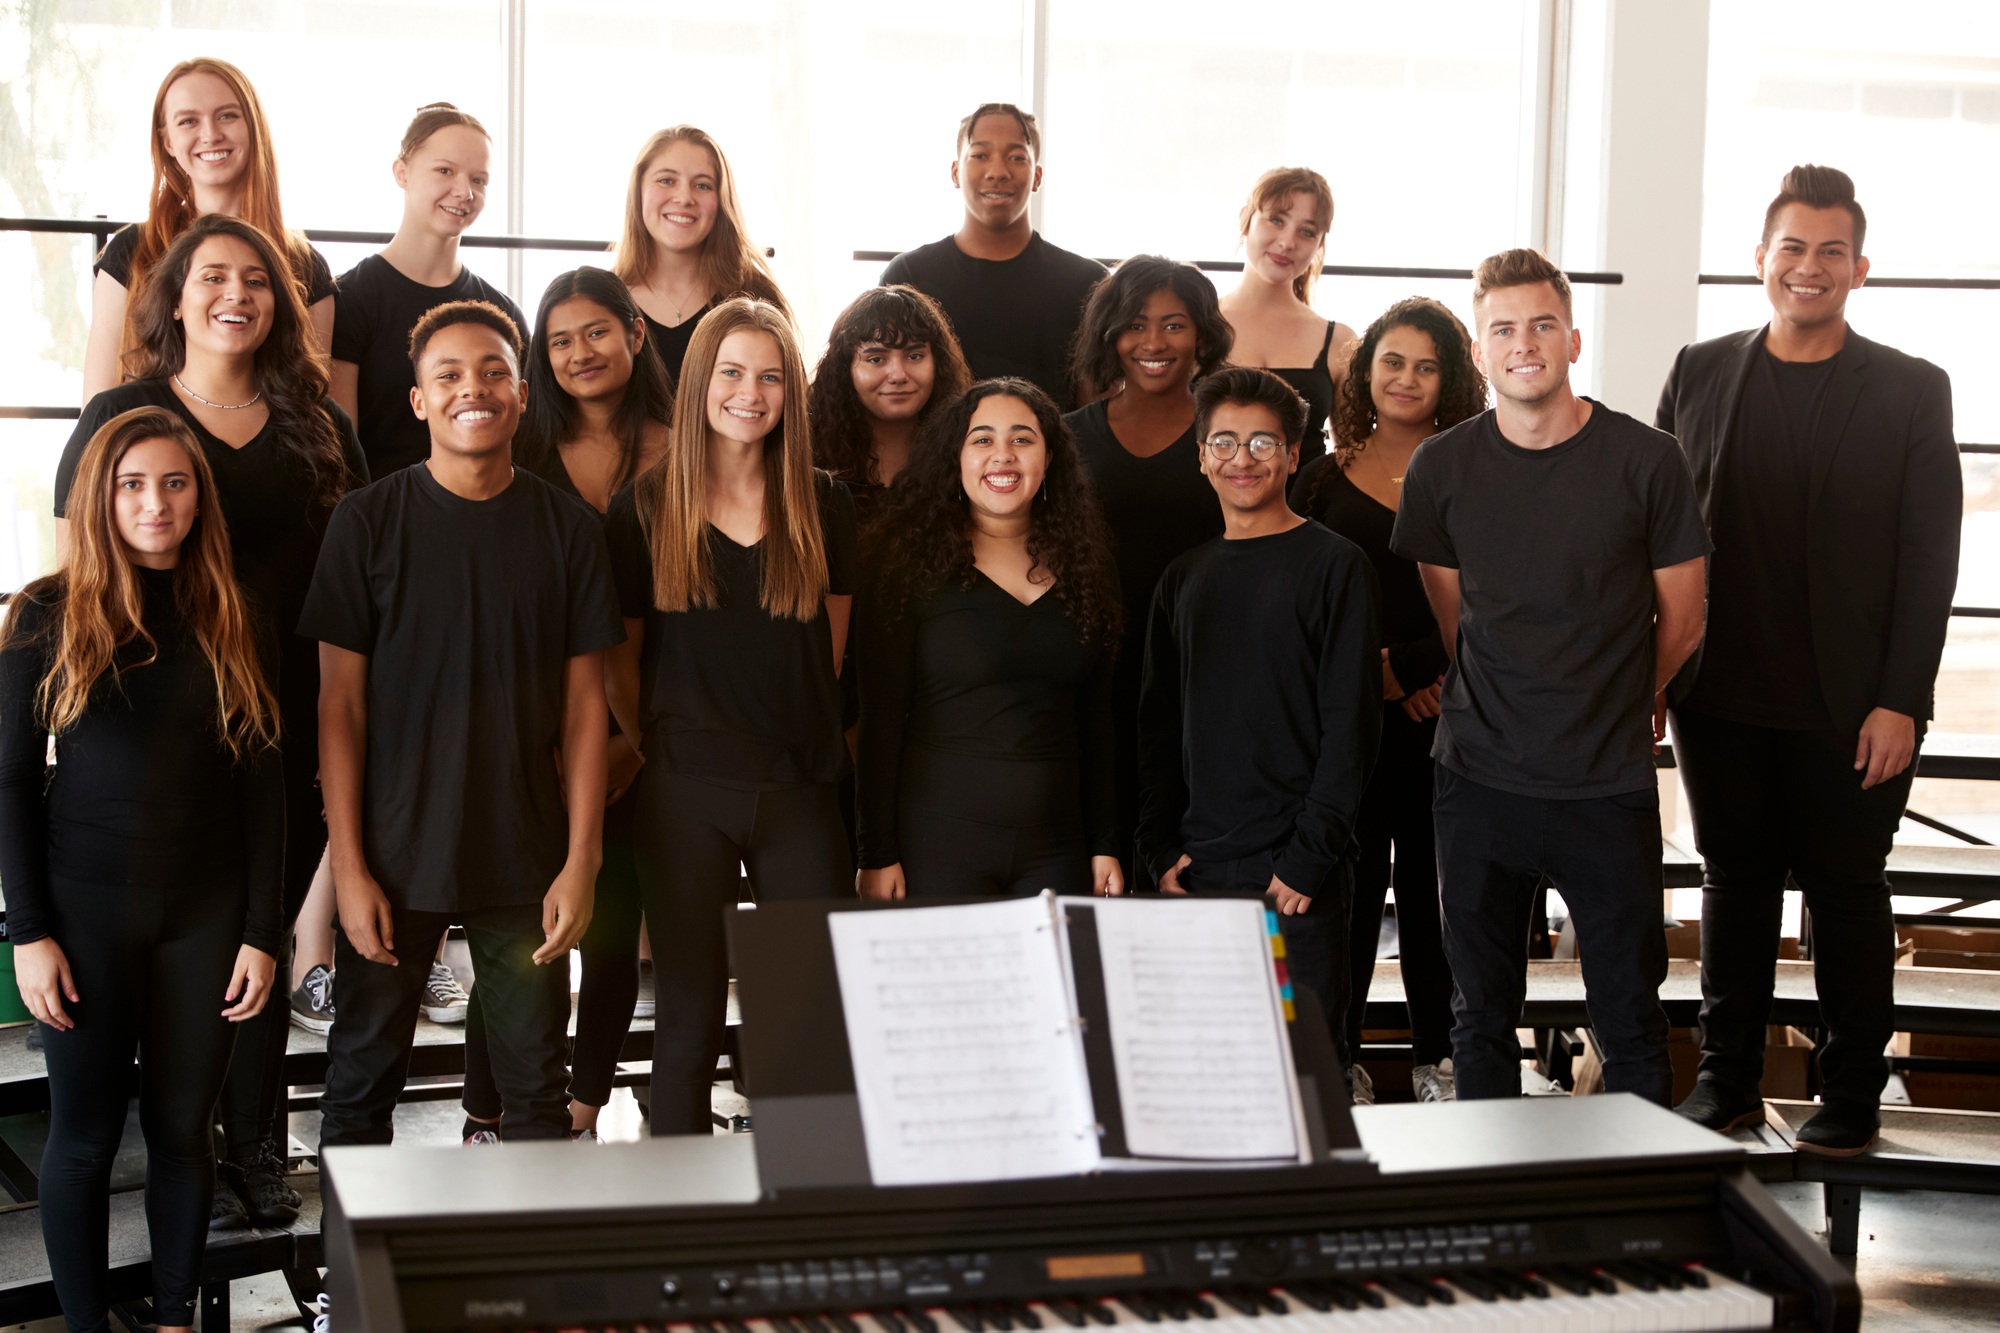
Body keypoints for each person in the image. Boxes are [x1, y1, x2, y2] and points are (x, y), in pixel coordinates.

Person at [55, 213, 364, 1226]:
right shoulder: (124, 412)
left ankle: (258, 1146)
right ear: (175, 298)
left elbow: (362, 581)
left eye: (258, 280)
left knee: (259, 925)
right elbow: (74, 569)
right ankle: (179, 1146)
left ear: (281, 305)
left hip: (288, 720)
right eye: (214, 277)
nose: (237, 295)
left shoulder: (320, 424)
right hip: (156, 726)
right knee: (181, 941)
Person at [1659, 166, 1960, 1155]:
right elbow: (1656, 537)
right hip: (1719, 693)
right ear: (1760, 259)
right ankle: (1727, 1081)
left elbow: (1929, 558)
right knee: (1732, 884)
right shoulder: (1698, 370)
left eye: (1832, 250)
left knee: (1847, 890)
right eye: (1791, 246)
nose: (1809, 266)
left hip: (1852, 705)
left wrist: (1900, 699)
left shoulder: (1911, 389)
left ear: (1859, 268)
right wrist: (1651, 674)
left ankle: (1851, 1091)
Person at [1390, 249, 1711, 1106]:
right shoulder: (1441, 469)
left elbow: (1685, 620)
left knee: (1630, 1016)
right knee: (1479, 1017)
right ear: (1481, 351)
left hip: (1604, 785)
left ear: (1572, 339)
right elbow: (1458, 623)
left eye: (1541, 325)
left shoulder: (1648, 460)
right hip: (1477, 781)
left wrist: (1632, 693)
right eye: (1503, 329)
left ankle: (1643, 1193)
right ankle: (1492, 1188)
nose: (1523, 343)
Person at [301, 300, 623, 1146]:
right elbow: (339, 706)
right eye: (447, 375)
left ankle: (532, 1241)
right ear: (418, 400)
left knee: (535, 1088)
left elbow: (586, 709)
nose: (471, 389)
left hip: (524, 857)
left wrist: (582, 859)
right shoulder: (366, 522)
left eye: (492, 373)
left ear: (522, 394)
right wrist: (349, 868)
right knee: (361, 1079)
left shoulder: (569, 531)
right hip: (391, 855)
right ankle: (355, 1243)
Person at [3, 406, 281, 1333]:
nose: (154, 503)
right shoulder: (44, 613)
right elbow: (8, 782)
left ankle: (170, 1322)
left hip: (206, 916)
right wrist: (29, 932)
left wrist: (262, 931)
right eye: (132, 484)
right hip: (82, 916)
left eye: (173, 482)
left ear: (199, 497)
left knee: (181, 1133)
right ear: (102, 497)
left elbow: (266, 786)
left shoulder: (234, 610)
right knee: (83, 1139)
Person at [603, 297, 856, 1136]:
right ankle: (683, 1205)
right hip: (685, 793)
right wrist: (666, 748)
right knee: (688, 1012)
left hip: (801, 791)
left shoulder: (825, 504)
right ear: (699, 383)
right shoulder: (643, 509)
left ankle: (808, 1200)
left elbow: (830, 655)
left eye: (771, 377)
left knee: (807, 1016)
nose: (751, 393)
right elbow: (621, 664)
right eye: (733, 372)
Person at [458, 266, 672, 1142]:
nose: (579, 352)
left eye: (596, 332)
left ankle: (581, 1107)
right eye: (558, 340)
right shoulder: (523, 446)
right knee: (516, 934)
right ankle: (486, 1110)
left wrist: (633, 742)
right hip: (535, 731)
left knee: (613, 930)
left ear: (635, 334)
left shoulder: (684, 450)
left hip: (656, 722)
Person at [1135, 367, 1380, 1071]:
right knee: (1206, 1078)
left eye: (1263, 443)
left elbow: (1351, 727)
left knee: (1306, 1081)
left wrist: (1308, 858)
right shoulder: (1183, 577)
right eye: (1224, 442)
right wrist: (1159, 849)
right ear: (1201, 455)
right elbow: (1157, 728)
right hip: (1198, 870)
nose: (1242, 458)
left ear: (1293, 454)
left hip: (1296, 878)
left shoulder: (1336, 567)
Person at [1292, 297, 1488, 1105]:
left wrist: (1417, 672)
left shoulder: (1475, 472)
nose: (1407, 378)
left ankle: (1442, 1058)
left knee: (1439, 901)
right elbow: (1296, 598)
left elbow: (1495, 592)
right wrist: (1366, 681)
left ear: (1452, 380)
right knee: (1349, 894)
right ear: (1365, 372)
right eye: (1393, 361)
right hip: (1348, 727)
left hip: (1450, 716)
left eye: (1427, 366)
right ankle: (1340, 1062)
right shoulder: (1319, 478)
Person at [856, 379, 1123, 900]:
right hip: (936, 842)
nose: (1003, 455)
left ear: (1049, 459)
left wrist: (1105, 843)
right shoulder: (904, 566)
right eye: (982, 439)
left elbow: (1098, 721)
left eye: (1022, 438)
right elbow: (880, 717)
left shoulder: (1090, 568)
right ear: (955, 458)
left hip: (1058, 847)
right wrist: (875, 853)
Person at [1066, 255, 1233, 881]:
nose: (1154, 342)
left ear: (1202, 337)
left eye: (1174, 324)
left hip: (1203, 674)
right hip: (1094, 674)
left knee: (1190, 867)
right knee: (1098, 861)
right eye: (1136, 324)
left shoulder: (1229, 439)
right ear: (1110, 334)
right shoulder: (1066, 438)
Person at [83, 57, 335, 402]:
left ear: (253, 127)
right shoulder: (130, 252)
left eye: (227, 116)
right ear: (167, 142)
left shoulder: (305, 265)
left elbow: (315, 405)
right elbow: (97, 406)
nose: (211, 135)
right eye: (188, 121)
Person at [331, 102, 527, 480]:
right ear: (401, 172)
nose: (464, 192)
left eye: (479, 180)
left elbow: (522, 442)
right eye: (445, 171)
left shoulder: (501, 312)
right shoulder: (349, 299)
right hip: (379, 509)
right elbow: (339, 450)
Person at [880, 103, 1105, 407]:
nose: (998, 172)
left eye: (1017, 157)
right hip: (937, 441)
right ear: (955, 172)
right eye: (979, 155)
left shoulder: (1087, 283)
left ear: (1037, 176)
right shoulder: (908, 277)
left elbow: (1096, 413)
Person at [611, 126, 787, 387]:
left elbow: (788, 398)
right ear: (638, 191)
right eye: (666, 180)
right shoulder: (604, 299)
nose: (684, 198)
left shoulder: (756, 295)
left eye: (702, 185)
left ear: (722, 200)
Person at [1217, 168, 1359, 466]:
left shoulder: (1339, 341)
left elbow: (1353, 457)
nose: (1287, 242)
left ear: (1319, 244)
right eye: (1276, 220)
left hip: (1306, 496)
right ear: (1245, 218)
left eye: (1306, 232)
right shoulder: (1198, 324)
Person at [807, 284, 973, 518]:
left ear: (938, 364)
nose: (898, 375)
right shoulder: (805, 457)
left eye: (914, 356)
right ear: (845, 369)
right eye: (876, 359)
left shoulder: (970, 452)